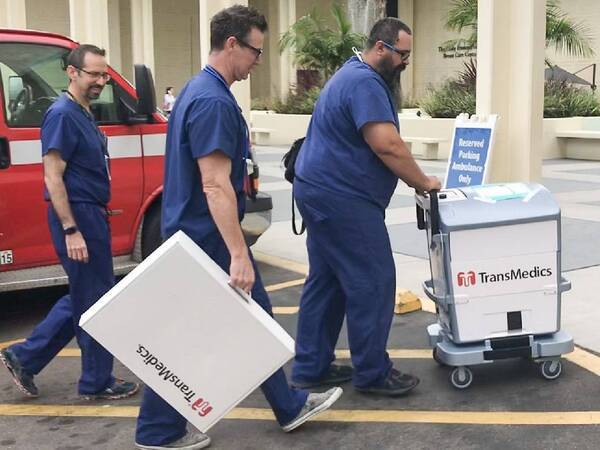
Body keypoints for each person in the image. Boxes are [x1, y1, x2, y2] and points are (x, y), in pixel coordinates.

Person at [134, 6, 342, 450]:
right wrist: (239, 252)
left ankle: (288, 406)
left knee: (251, 325)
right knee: (203, 332)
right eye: (255, 51)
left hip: (194, 234)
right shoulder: (210, 100)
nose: (257, 61)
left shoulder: (197, 90)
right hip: (207, 238)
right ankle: (157, 430)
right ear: (232, 44)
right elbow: (213, 185)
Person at [290, 18, 441, 397]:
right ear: (380, 47)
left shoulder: (351, 74)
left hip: (319, 192)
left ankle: (311, 365)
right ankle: (373, 372)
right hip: (343, 198)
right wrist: (423, 182)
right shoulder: (365, 82)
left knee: (327, 281)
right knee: (373, 280)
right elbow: (386, 144)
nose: (406, 61)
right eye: (401, 53)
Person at [0, 45, 139, 400]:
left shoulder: (83, 112)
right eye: (93, 73)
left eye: (104, 74)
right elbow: (53, 177)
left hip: (91, 214)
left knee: (88, 296)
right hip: (78, 217)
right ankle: (95, 380)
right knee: (96, 300)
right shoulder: (62, 114)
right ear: (72, 73)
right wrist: (71, 229)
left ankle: (25, 357)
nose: (100, 81)